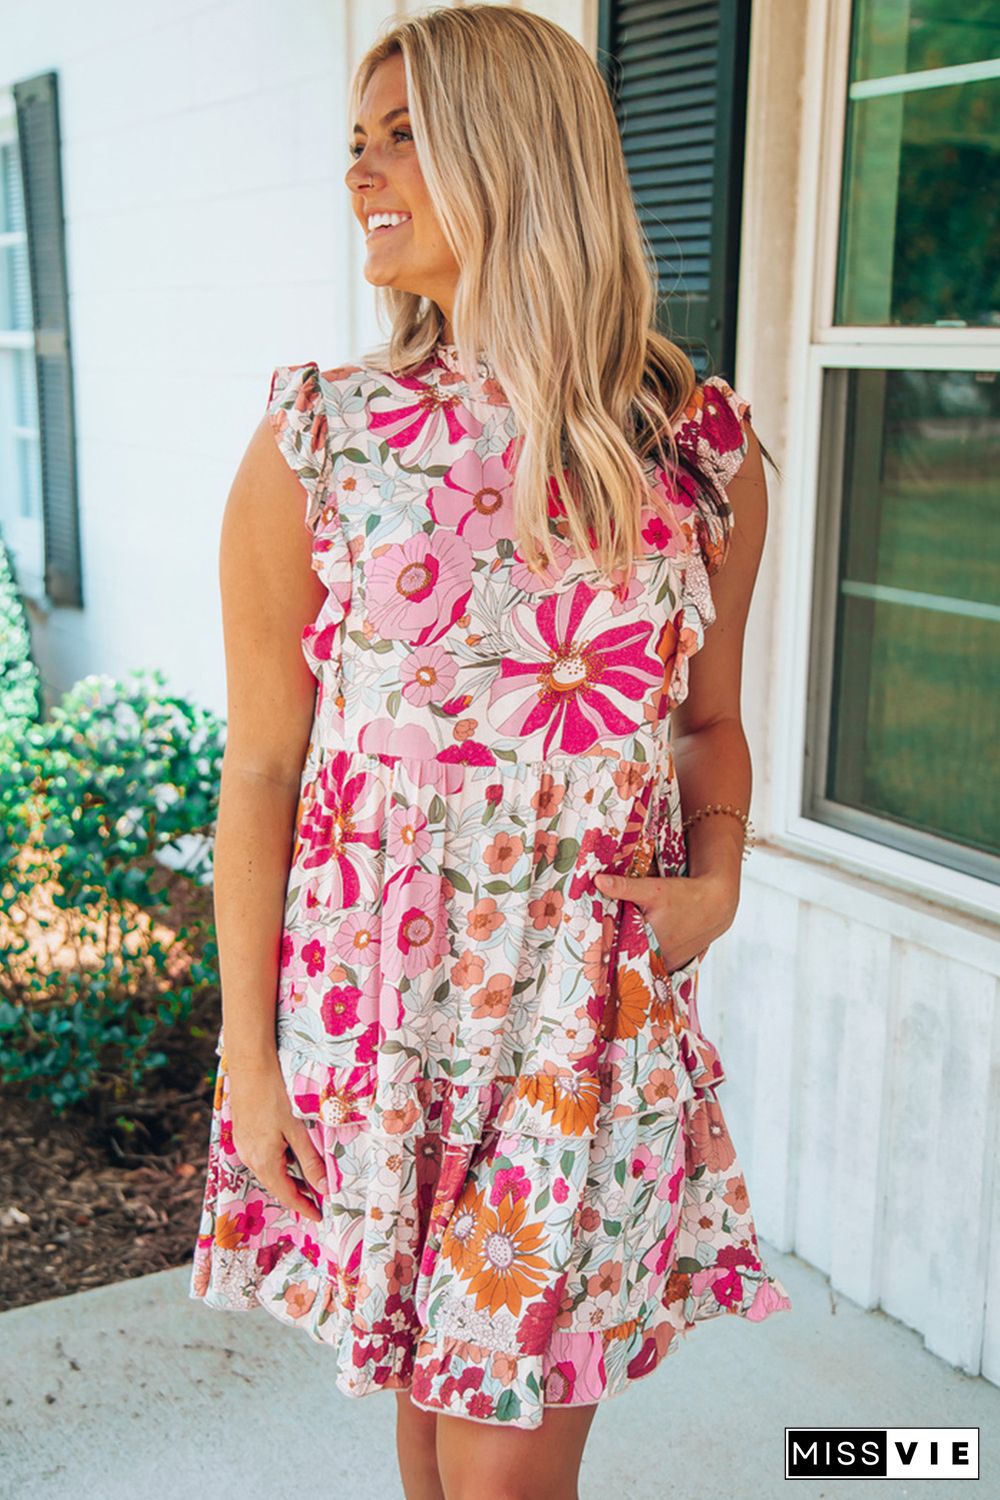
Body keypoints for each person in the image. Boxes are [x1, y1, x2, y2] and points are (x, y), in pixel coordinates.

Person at [187, 7, 792, 1498]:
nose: (364, 172)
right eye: (356, 141)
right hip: (374, 1026)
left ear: (513, 155)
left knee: (505, 1460)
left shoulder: (692, 449)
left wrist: (715, 885)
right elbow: (262, 770)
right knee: (424, 1411)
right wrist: (250, 1060)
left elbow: (707, 726)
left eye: (404, 136)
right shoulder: (321, 441)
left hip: (578, 1033)